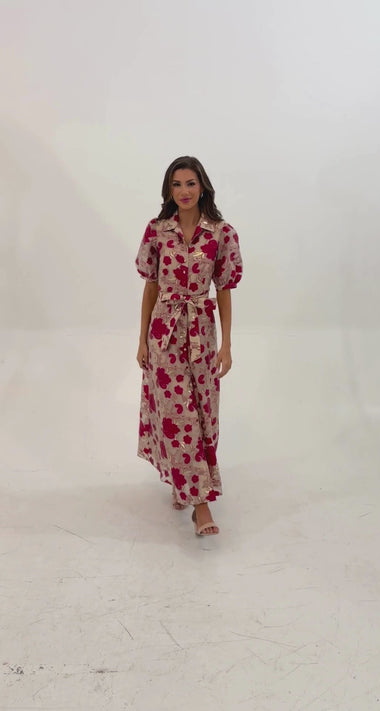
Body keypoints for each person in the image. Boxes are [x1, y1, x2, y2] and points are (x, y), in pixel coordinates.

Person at [135, 156, 243, 536]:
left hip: (202, 335)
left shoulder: (221, 234)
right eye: (176, 184)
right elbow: (150, 287)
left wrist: (226, 345)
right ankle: (201, 505)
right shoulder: (157, 231)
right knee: (177, 416)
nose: (184, 191)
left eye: (190, 183)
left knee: (203, 415)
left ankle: (185, 484)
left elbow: (224, 290)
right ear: (168, 189)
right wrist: (142, 340)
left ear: (203, 187)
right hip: (163, 335)